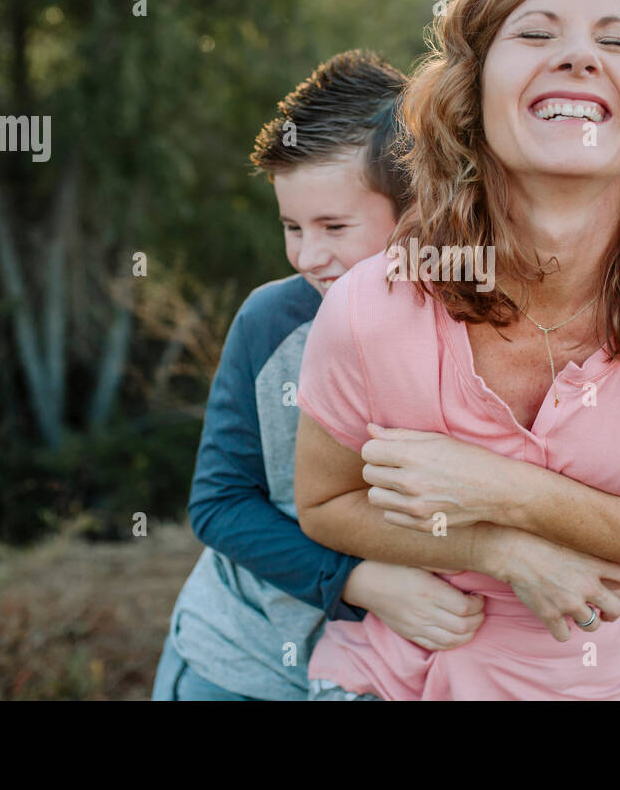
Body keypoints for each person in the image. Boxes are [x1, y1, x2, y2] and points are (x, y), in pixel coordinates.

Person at [294, 0, 620, 700]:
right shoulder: (372, 306)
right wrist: (504, 550)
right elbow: (323, 505)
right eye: (536, 33)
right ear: (475, 97)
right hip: (380, 678)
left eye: (616, 40)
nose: (580, 56)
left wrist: (499, 488)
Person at [152, 50, 487, 700]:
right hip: (235, 663)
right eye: (291, 227)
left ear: (417, 208)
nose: (309, 255)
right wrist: (360, 582)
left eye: (335, 226)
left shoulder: (480, 329)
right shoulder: (270, 322)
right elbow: (220, 505)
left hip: (386, 677)